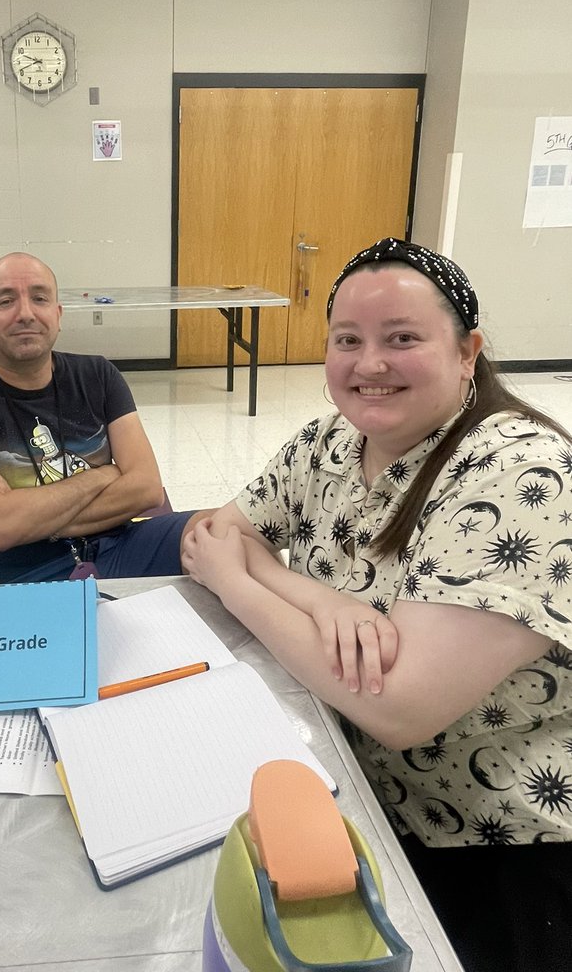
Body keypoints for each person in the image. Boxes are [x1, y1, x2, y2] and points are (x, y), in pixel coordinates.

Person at [181, 237, 572, 972]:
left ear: (467, 352)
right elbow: (214, 532)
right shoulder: (331, 441)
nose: (369, 364)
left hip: (498, 841)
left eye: (403, 339)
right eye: (348, 340)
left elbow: (396, 707)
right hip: (364, 800)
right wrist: (319, 599)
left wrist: (242, 584)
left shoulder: (522, 474)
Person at [0, 252, 197, 583]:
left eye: (39, 298)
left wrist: (25, 516)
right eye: (6, 301)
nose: (25, 313)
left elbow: (147, 489)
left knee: (230, 532)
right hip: (24, 573)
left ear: (58, 313)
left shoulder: (99, 375)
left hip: (122, 545)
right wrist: (103, 475)